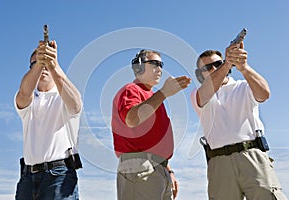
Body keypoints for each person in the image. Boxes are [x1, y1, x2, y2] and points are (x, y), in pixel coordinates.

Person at [190, 42, 287, 199]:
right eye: (208, 68)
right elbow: (204, 94)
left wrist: (243, 68)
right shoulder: (198, 94)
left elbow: (264, 94)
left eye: (217, 64)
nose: (214, 69)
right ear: (200, 74)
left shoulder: (244, 86)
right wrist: (228, 62)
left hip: (252, 156)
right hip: (219, 162)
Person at [111, 49, 191, 200]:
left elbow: (154, 141)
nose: (159, 69)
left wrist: (169, 171)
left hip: (159, 168)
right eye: (154, 63)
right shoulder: (131, 89)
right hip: (140, 166)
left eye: (161, 65)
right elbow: (131, 119)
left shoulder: (153, 98)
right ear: (139, 67)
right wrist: (163, 93)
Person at [14, 40, 83, 199]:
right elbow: (23, 95)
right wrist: (40, 62)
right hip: (27, 177)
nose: (42, 67)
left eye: (44, 63)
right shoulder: (29, 100)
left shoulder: (64, 96)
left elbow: (75, 103)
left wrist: (53, 65)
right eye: (36, 64)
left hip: (59, 175)